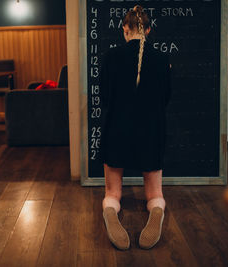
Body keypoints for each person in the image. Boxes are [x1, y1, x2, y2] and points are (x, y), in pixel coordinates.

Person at [99, 5, 172, 250]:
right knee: (154, 195)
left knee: (112, 193)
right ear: (149, 30)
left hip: (117, 130)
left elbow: (105, 96)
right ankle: (157, 211)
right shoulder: (162, 59)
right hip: (151, 131)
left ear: (125, 29)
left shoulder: (110, 57)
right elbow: (166, 98)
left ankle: (110, 212)